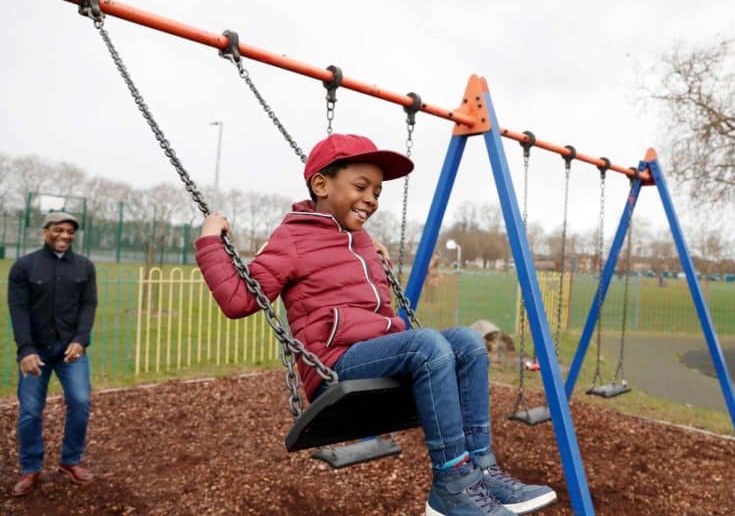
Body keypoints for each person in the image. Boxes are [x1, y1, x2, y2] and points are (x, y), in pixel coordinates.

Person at [196, 133, 557, 516]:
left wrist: (373, 257)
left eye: (378, 192)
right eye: (361, 187)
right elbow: (239, 299)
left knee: (468, 341)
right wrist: (209, 242)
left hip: (380, 352)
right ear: (321, 184)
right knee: (427, 344)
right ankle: (452, 484)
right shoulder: (293, 237)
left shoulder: (361, 240)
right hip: (336, 365)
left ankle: (482, 470)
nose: (371, 199)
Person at [8, 211, 97, 497]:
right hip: (36, 352)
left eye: (70, 232)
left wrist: (81, 340)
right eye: (58, 230)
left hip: (71, 351)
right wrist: (25, 350)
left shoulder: (85, 266)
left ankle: (70, 461)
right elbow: (18, 310)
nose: (65, 236)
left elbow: (88, 305)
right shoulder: (24, 266)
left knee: (81, 402)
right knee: (31, 411)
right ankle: (31, 467)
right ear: (45, 231)